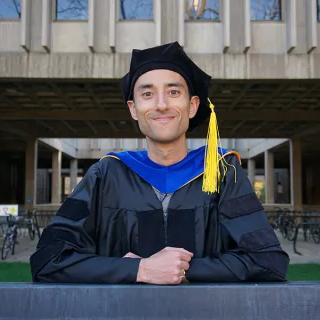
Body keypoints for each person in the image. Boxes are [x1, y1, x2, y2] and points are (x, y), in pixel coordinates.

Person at [30, 42, 289, 284]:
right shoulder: (106, 175)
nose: (162, 105)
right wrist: (140, 269)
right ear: (133, 109)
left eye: (173, 92)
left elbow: (268, 262)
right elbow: (47, 261)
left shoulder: (222, 172)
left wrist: (180, 270)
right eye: (148, 94)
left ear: (192, 105)